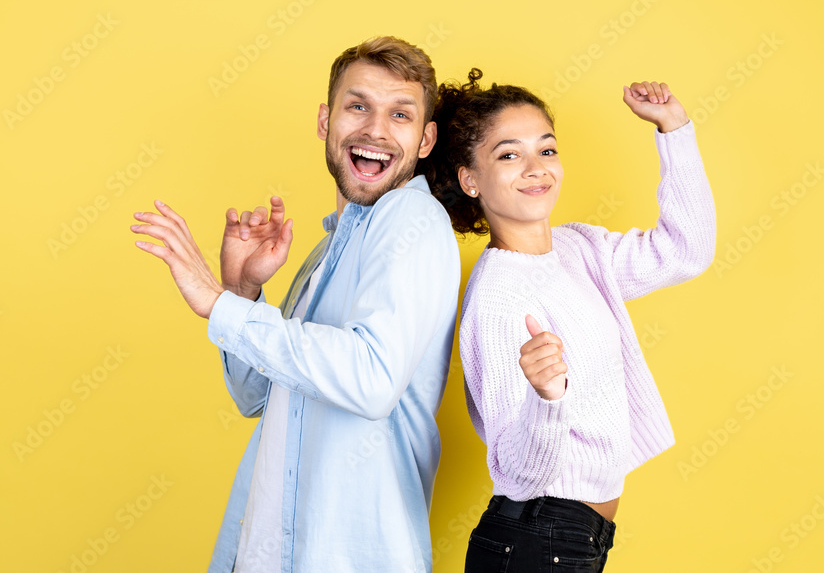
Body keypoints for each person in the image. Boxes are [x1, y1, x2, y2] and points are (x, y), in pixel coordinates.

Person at [131, 37, 461, 572]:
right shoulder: (329, 248)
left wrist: (218, 304)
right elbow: (255, 395)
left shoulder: (412, 220)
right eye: (358, 106)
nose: (375, 129)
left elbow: (371, 379)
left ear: (425, 141)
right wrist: (242, 291)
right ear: (325, 121)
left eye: (399, 114)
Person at [421, 70, 715, 571]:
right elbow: (517, 473)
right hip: (536, 539)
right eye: (509, 154)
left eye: (547, 150)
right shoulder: (496, 296)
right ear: (470, 180)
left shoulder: (579, 249)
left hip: (571, 539)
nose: (536, 168)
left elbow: (685, 252)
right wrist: (547, 398)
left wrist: (674, 128)